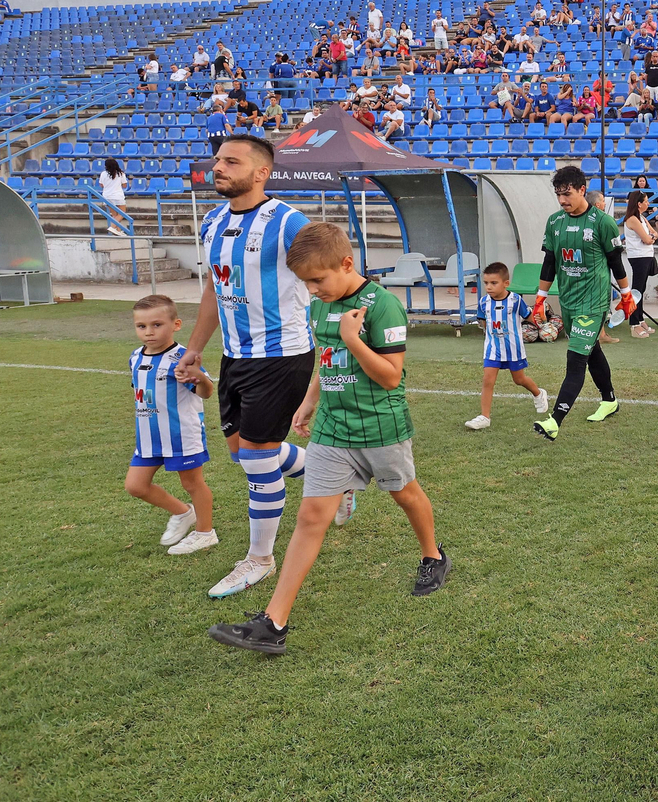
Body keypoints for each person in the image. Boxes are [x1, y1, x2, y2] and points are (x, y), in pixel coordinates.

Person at [207, 223, 451, 654]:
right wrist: (309, 400)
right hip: (332, 428)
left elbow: (390, 377)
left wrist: (352, 340)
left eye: (317, 280)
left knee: (406, 495)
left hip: (381, 427)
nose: (312, 290)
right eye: (305, 283)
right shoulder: (320, 307)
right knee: (310, 518)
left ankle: (433, 555)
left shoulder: (383, 305)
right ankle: (273, 623)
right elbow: (327, 358)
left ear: (346, 264)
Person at [175, 136, 344, 599]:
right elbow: (214, 291)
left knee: (255, 457)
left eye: (232, 161)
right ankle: (337, 480)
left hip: (282, 355)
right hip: (236, 357)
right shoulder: (212, 222)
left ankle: (259, 559)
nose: (218, 167)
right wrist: (195, 348)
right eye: (218, 160)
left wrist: (341, 335)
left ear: (261, 172)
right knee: (241, 451)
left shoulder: (289, 222)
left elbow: (332, 275)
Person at [530, 166, 634, 440]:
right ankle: (609, 400)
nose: (562, 200)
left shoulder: (602, 222)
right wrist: (540, 298)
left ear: (582, 190)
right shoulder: (555, 222)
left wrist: (626, 295)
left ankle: (554, 421)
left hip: (594, 302)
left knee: (575, 359)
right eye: (558, 194)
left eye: (567, 194)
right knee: (592, 351)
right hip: (569, 302)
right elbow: (550, 262)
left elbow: (616, 262)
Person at [125, 294, 219, 555]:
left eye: (157, 325)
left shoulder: (182, 358)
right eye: (141, 326)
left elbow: (207, 393)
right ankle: (182, 512)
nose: (149, 332)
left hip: (181, 434)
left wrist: (199, 377)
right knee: (135, 486)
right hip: (149, 437)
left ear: (176, 324)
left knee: (192, 484)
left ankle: (205, 533)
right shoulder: (135, 357)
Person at [463, 262, 549, 431]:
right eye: (486, 283)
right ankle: (484, 417)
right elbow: (484, 322)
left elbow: (529, 317)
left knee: (519, 380)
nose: (489, 287)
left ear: (506, 283)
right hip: (493, 348)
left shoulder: (515, 300)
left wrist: (542, 323)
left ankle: (539, 393)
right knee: (488, 380)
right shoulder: (483, 302)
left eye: (493, 283)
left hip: (513, 349)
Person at [621, 191, 658, 338]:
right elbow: (647, 239)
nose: (648, 204)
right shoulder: (632, 219)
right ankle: (634, 323)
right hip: (638, 256)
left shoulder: (641, 217)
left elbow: (654, 234)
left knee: (640, 290)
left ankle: (640, 319)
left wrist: (651, 237)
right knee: (637, 290)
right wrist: (651, 237)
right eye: (646, 201)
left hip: (645, 256)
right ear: (639, 204)